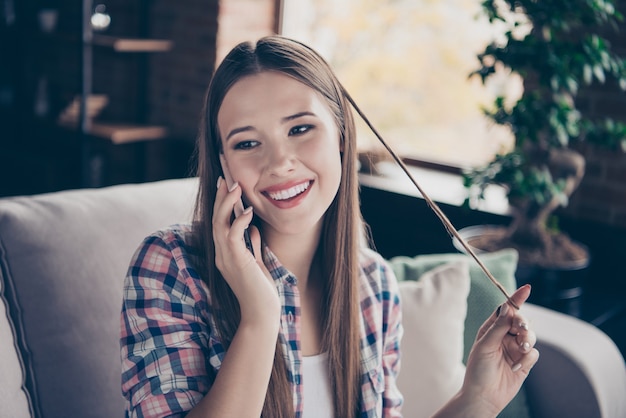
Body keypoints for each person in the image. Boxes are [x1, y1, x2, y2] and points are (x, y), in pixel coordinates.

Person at [120, 35, 539, 418]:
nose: (279, 162)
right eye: (247, 143)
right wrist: (260, 317)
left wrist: (477, 400)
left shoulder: (374, 284)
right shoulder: (172, 267)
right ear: (224, 164)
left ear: (341, 134)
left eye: (300, 129)